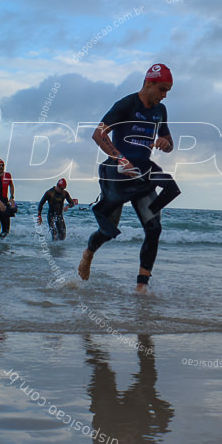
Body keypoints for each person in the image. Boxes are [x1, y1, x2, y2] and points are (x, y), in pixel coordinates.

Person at [78, 63, 181, 293]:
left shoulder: (160, 111)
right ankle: (89, 253)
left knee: (153, 227)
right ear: (149, 83)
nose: (164, 96)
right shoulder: (126, 104)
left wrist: (166, 144)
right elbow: (98, 134)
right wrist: (120, 158)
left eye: (168, 92)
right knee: (108, 230)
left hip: (143, 174)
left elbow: (168, 142)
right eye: (162, 90)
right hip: (118, 173)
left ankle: (141, 288)